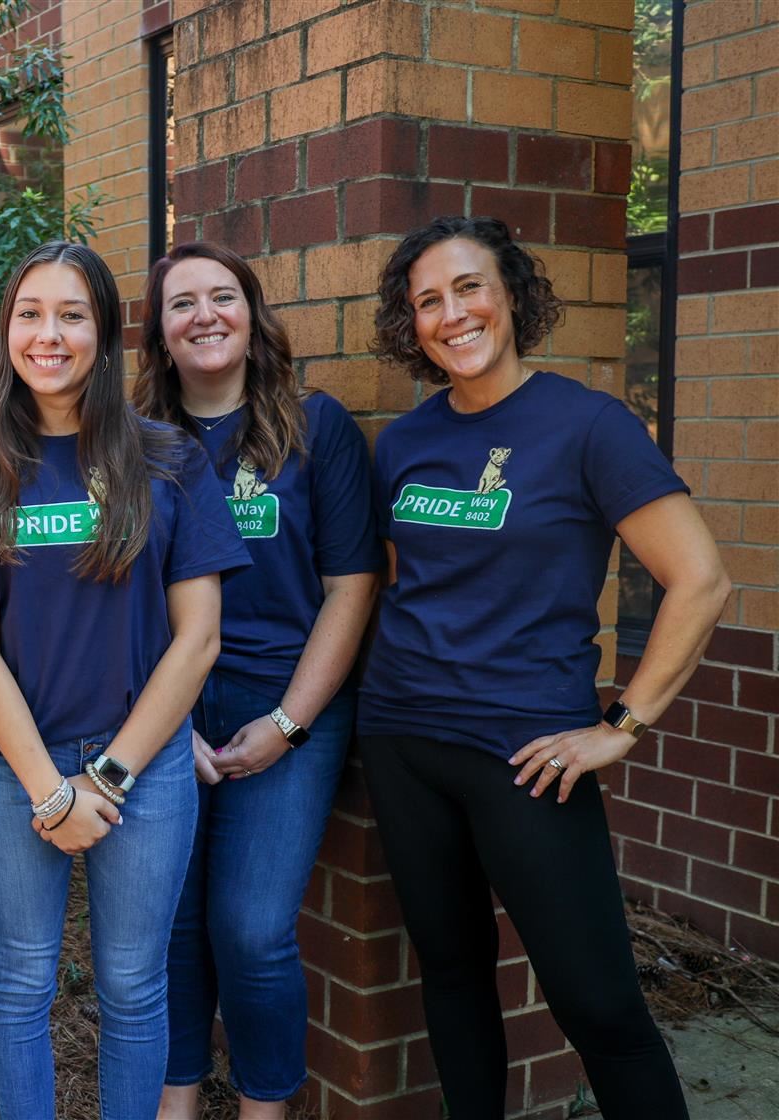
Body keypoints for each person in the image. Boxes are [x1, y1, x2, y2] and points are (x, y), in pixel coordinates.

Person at [360, 215, 729, 1120]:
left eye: (470, 287)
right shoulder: (406, 443)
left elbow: (701, 581)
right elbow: (406, 584)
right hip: (404, 740)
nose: (454, 314)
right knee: (449, 975)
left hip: (527, 756)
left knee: (598, 1004)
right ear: (414, 326)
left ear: (514, 295)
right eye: (429, 301)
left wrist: (620, 729)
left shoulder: (589, 426)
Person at [0, 241, 252, 1120]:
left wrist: (105, 778)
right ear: (5, 332)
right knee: (20, 980)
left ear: (106, 336)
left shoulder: (168, 460)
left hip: (143, 770)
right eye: (30, 314)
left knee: (136, 987)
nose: (49, 334)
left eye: (73, 315)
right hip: (5, 771)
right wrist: (47, 789)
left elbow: (199, 639)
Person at [131, 243, 382, 1119]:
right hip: (168, 706)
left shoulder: (314, 428)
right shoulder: (135, 445)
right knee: (173, 925)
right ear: (159, 334)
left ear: (252, 313)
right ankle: (176, 1101)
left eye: (222, 296)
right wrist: (161, 725)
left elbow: (352, 588)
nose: (204, 315)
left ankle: (266, 1107)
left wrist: (289, 722)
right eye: (181, 303)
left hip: (287, 700)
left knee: (251, 928)